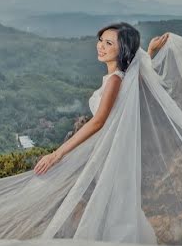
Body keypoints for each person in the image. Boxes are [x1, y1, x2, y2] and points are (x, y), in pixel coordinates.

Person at [33, 24, 169, 175]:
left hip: (108, 151)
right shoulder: (124, 77)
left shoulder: (115, 80)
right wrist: (150, 51)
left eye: (109, 43)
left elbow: (98, 121)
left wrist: (56, 155)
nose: (101, 46)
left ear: (123, 50)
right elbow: (138, 80)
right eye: (101, 40)